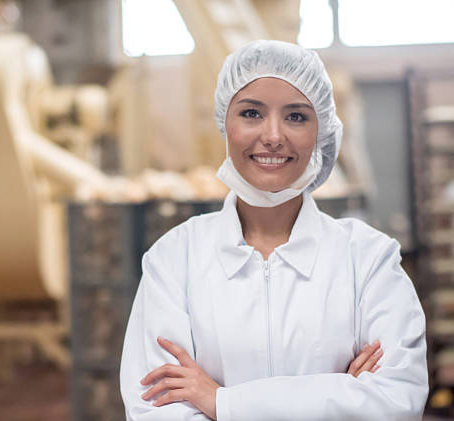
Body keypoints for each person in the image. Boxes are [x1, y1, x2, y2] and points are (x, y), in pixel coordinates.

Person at [119, 40, 428, 421]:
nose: (273, 136)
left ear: (322, 131)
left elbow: (395, 402)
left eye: (296, 117)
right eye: (251, 113)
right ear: (224, 124)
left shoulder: (368, 260)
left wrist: (220, 402)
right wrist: (341, 394)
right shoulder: (174, 261)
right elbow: (155, 410)